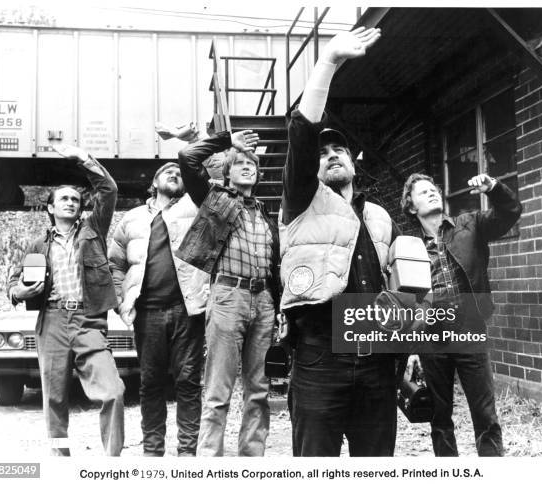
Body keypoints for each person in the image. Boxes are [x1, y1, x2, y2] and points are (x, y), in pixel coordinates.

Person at [280, 27, 405, 457]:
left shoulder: (381, 216)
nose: (331, 154)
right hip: (319, 360)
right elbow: (301, 131)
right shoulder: (300, 202)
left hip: (377, 364)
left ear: (353, 163)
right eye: (322, 152)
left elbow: (401, 286)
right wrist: (328, 62)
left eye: (340, 151)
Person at [7, 144, 124, 456]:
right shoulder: (37, 245)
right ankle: (60, 461)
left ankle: (114, 464)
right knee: (55, 400)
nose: (71, 203)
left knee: (112, 392)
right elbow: (13, 283)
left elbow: (108, 189)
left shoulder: (94, 231)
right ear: (51, 208)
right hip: (53, 321)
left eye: (75, 199)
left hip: (88, 321)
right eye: (65, 199)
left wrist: (84, 159)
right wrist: (20, 291)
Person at [175, 129, 280, 456]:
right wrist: (227, 141)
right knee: (218, 391)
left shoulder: (266, 214)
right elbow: (187, 158)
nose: (248, 166)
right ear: (227, 172)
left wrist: (277, 307)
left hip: (263, 301)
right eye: (240, 162)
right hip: (227, 296)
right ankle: (210, 464)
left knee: (259, 391)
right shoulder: (214, 199)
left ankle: (251, 462)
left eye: (253, 163)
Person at [401, 172, 522, 456]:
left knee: (485, 416)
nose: (432, 193)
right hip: (431, 338)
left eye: (433, 189)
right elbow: (404, 300)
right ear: (411, 207)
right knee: (439, 419)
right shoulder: (407, 247)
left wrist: (493, 188)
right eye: (422, 192)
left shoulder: (471, 224)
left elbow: (510, 212)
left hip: (469, 329)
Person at [108, 162, 209, 456]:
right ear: (154, 183)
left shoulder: (195, 208)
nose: (175, 174)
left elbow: (209, 175)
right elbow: (115, 263)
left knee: (188, 381)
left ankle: (187, 453)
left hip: (187, 311)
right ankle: (153, 453)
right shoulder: (132, 218)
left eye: (179, 172)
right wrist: (119, 298)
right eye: (168, 171)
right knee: (150, 383)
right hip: (148, 313)